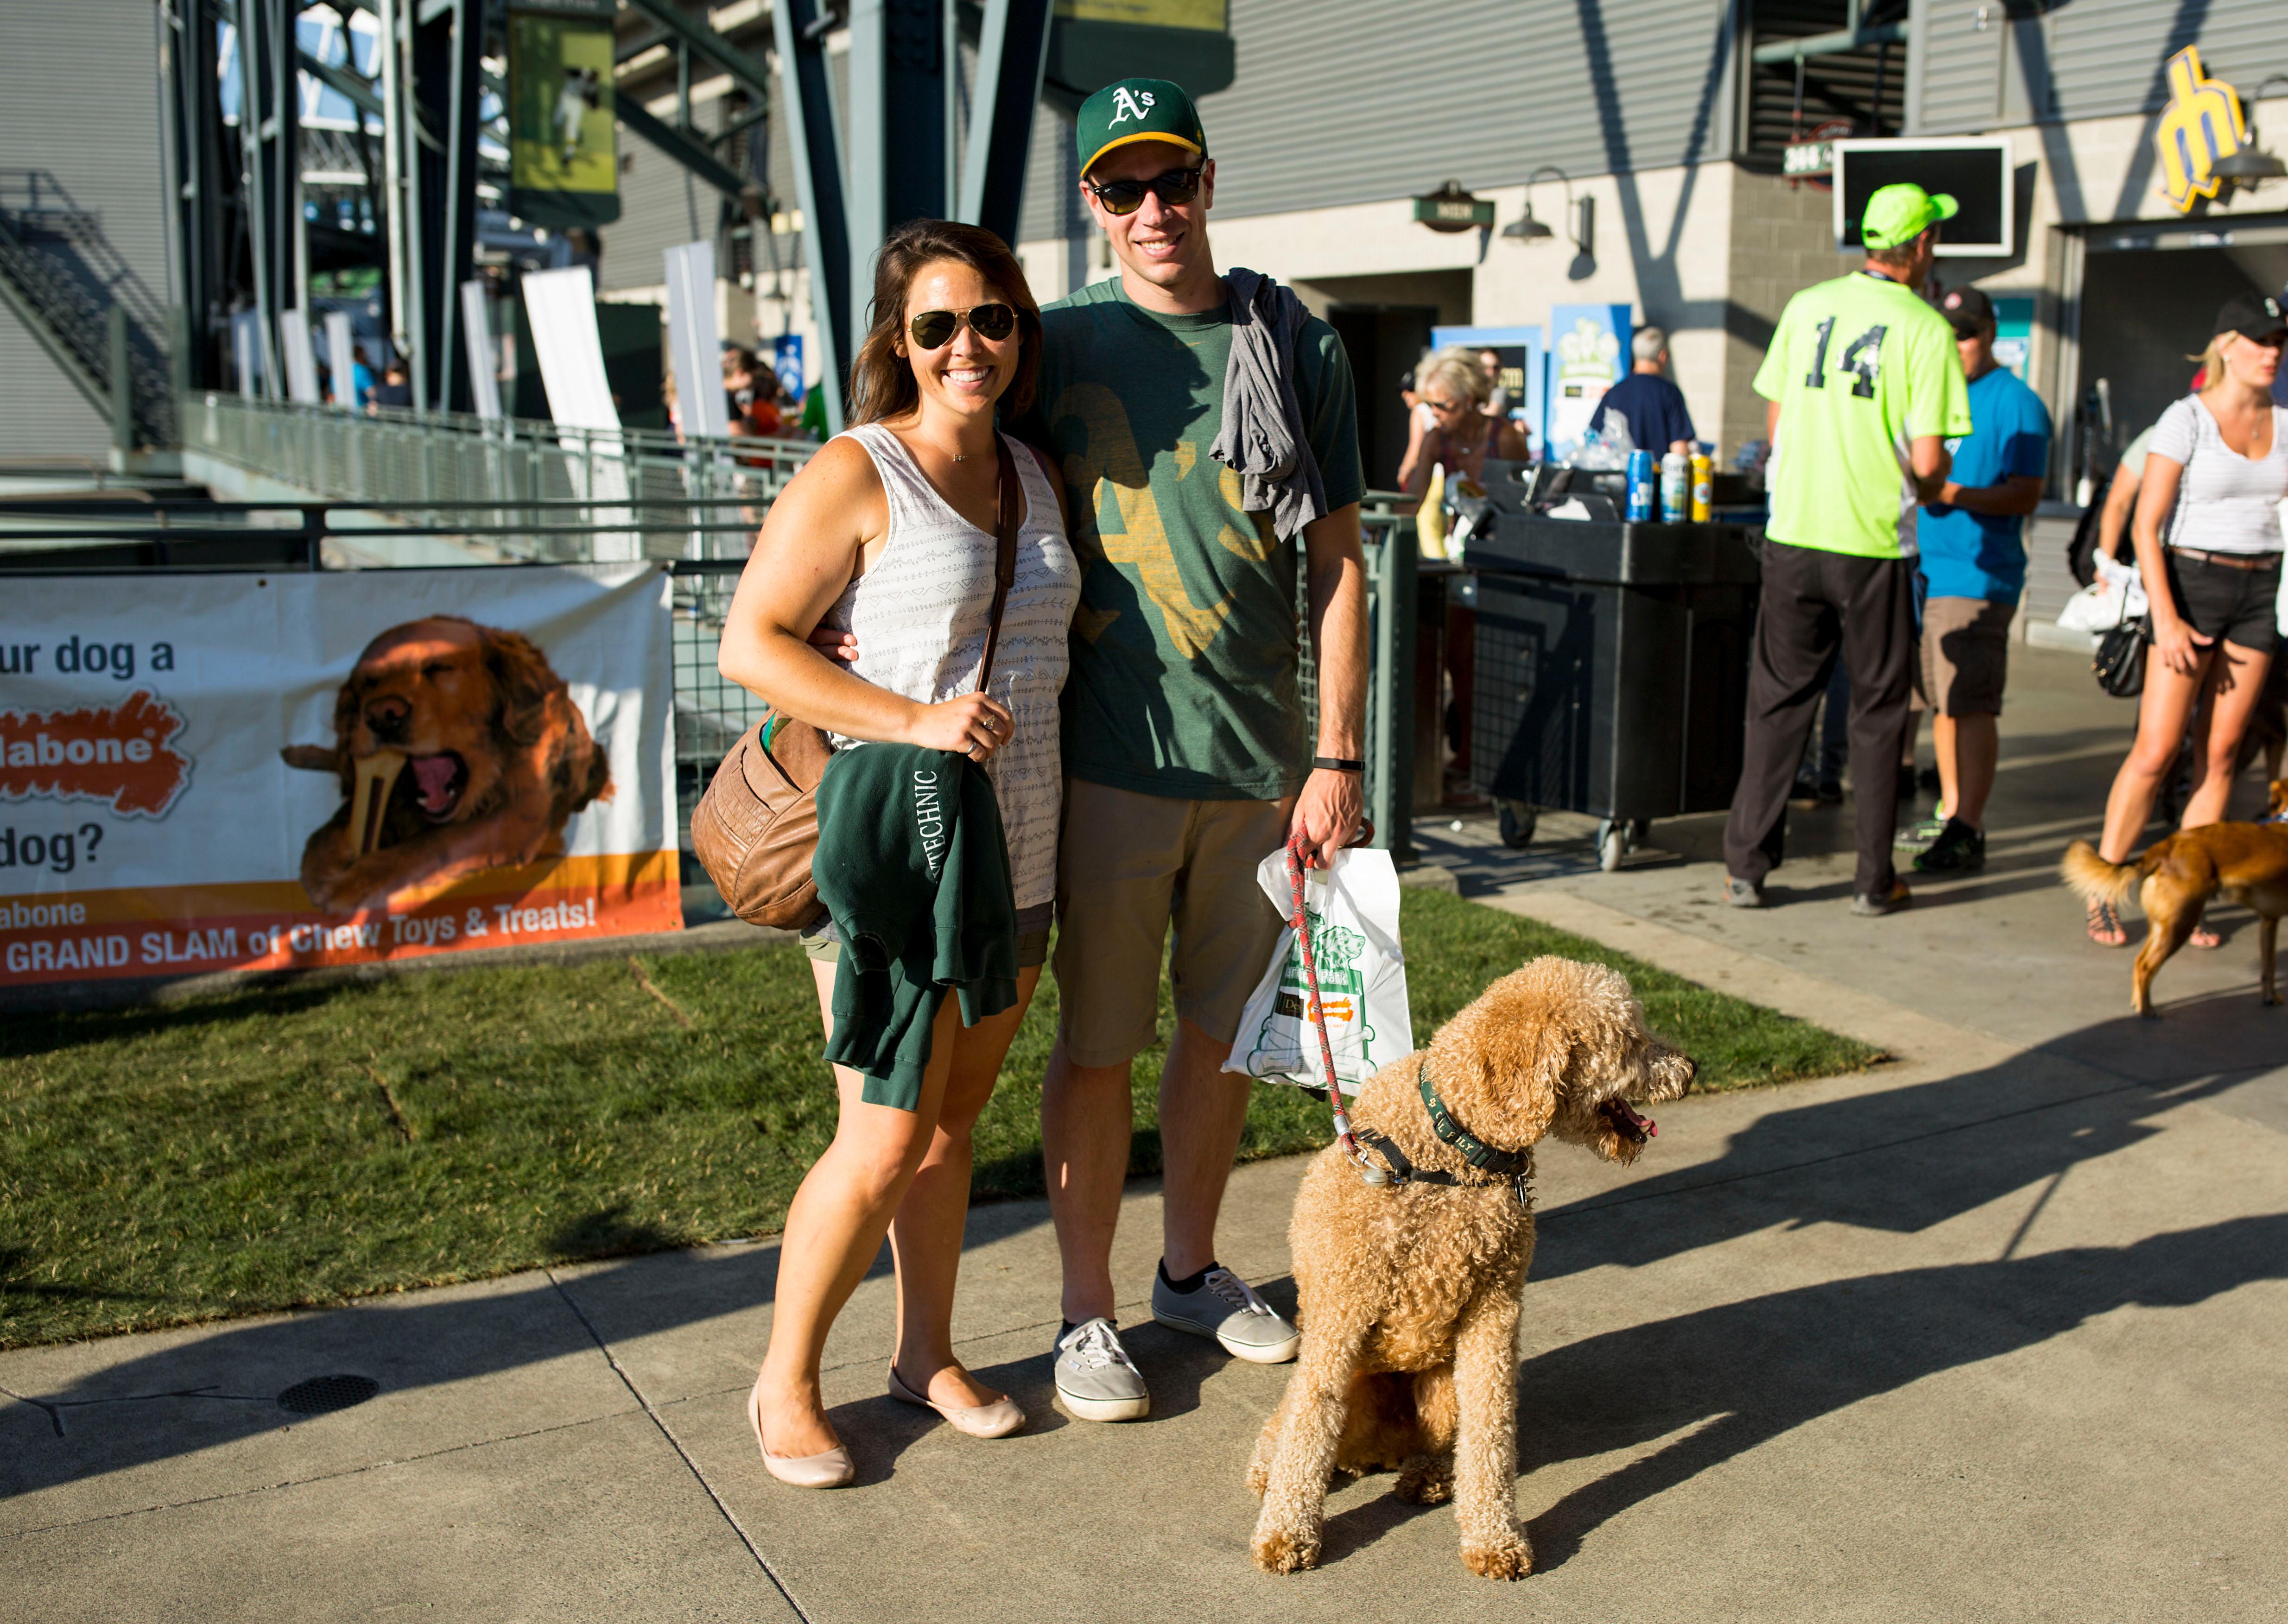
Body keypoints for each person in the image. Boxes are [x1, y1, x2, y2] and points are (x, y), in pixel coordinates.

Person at [1011, 76, 1369, 1422]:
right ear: (1094, 205)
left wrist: (1335, 755)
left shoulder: (1295, 345)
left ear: (1209, 183)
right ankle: (1083, 1311)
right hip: (1104, 762)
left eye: (1172, 181)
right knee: (1097, 1043)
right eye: (1121, 187)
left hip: (1260, 768)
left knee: (1221, 1041)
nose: (1152, 209)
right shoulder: (1051, 345)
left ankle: (1186, 1268)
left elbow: (1337, 563)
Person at [716, 219, 1079, 1486]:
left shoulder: (1035, 473)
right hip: (896, 858)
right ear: (899, 343)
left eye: (991, 319)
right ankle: (783, 1386)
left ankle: (925, 1353)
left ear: (1020, 330)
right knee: (877, 1136)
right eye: (938, 325)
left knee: (951, 1125)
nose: (967, 345)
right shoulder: (859, 468)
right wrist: (914, 720)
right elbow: (753, 643)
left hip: (1017, 858)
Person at [1721, 182, 1970, 916]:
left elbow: (1774, 428)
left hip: (1794, 532)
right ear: (1920, 247)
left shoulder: (1804, 306)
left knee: (1778, 700)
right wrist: (1933, 483)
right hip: (1872, 544)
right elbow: (1928, 462)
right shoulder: (1925, 329)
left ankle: (1746, 868)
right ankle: (1872, 878)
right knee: (1878, 711)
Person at [2085, 292, 2288, 948]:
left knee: (2222, 753)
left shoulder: (2285, 421)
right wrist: (2166, 619)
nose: (2272, 351)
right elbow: (2145, 524)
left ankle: (2187, 896)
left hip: (2260, 590)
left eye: (2279, 340)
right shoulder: (2186, 420)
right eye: (2259, 340)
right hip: (2190, 584)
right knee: (2156, 750)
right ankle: (2106, 888)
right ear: (2226, 345)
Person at [1897, 285, 2053, 874]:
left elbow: (2026, 493)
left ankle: (1969, 824)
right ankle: (1951, 812)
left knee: (1969, 702)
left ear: (1988, 333)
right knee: (1940, 703)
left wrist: (1950, 491)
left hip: (1975, 574)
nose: (1955, 343)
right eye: (1947, 332)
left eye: (1964, 332)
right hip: (1920, 566)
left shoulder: (2015, 402)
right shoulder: (1930, 392)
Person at [1398, 347, 1530, 501]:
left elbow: (1522, 502)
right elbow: (1412, 501)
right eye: (1430, 405)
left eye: (1441, 405)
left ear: (1468, 399)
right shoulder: (1436, 439)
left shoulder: (1505, 437)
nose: (1434, 413)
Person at [1589, 325, 1696, 456]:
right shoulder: (1669, 393)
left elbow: (1594, 439)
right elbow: (1679, 448)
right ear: (1662, 356)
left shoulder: (1615, 392)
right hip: (1656, 474)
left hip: (1619, 473)